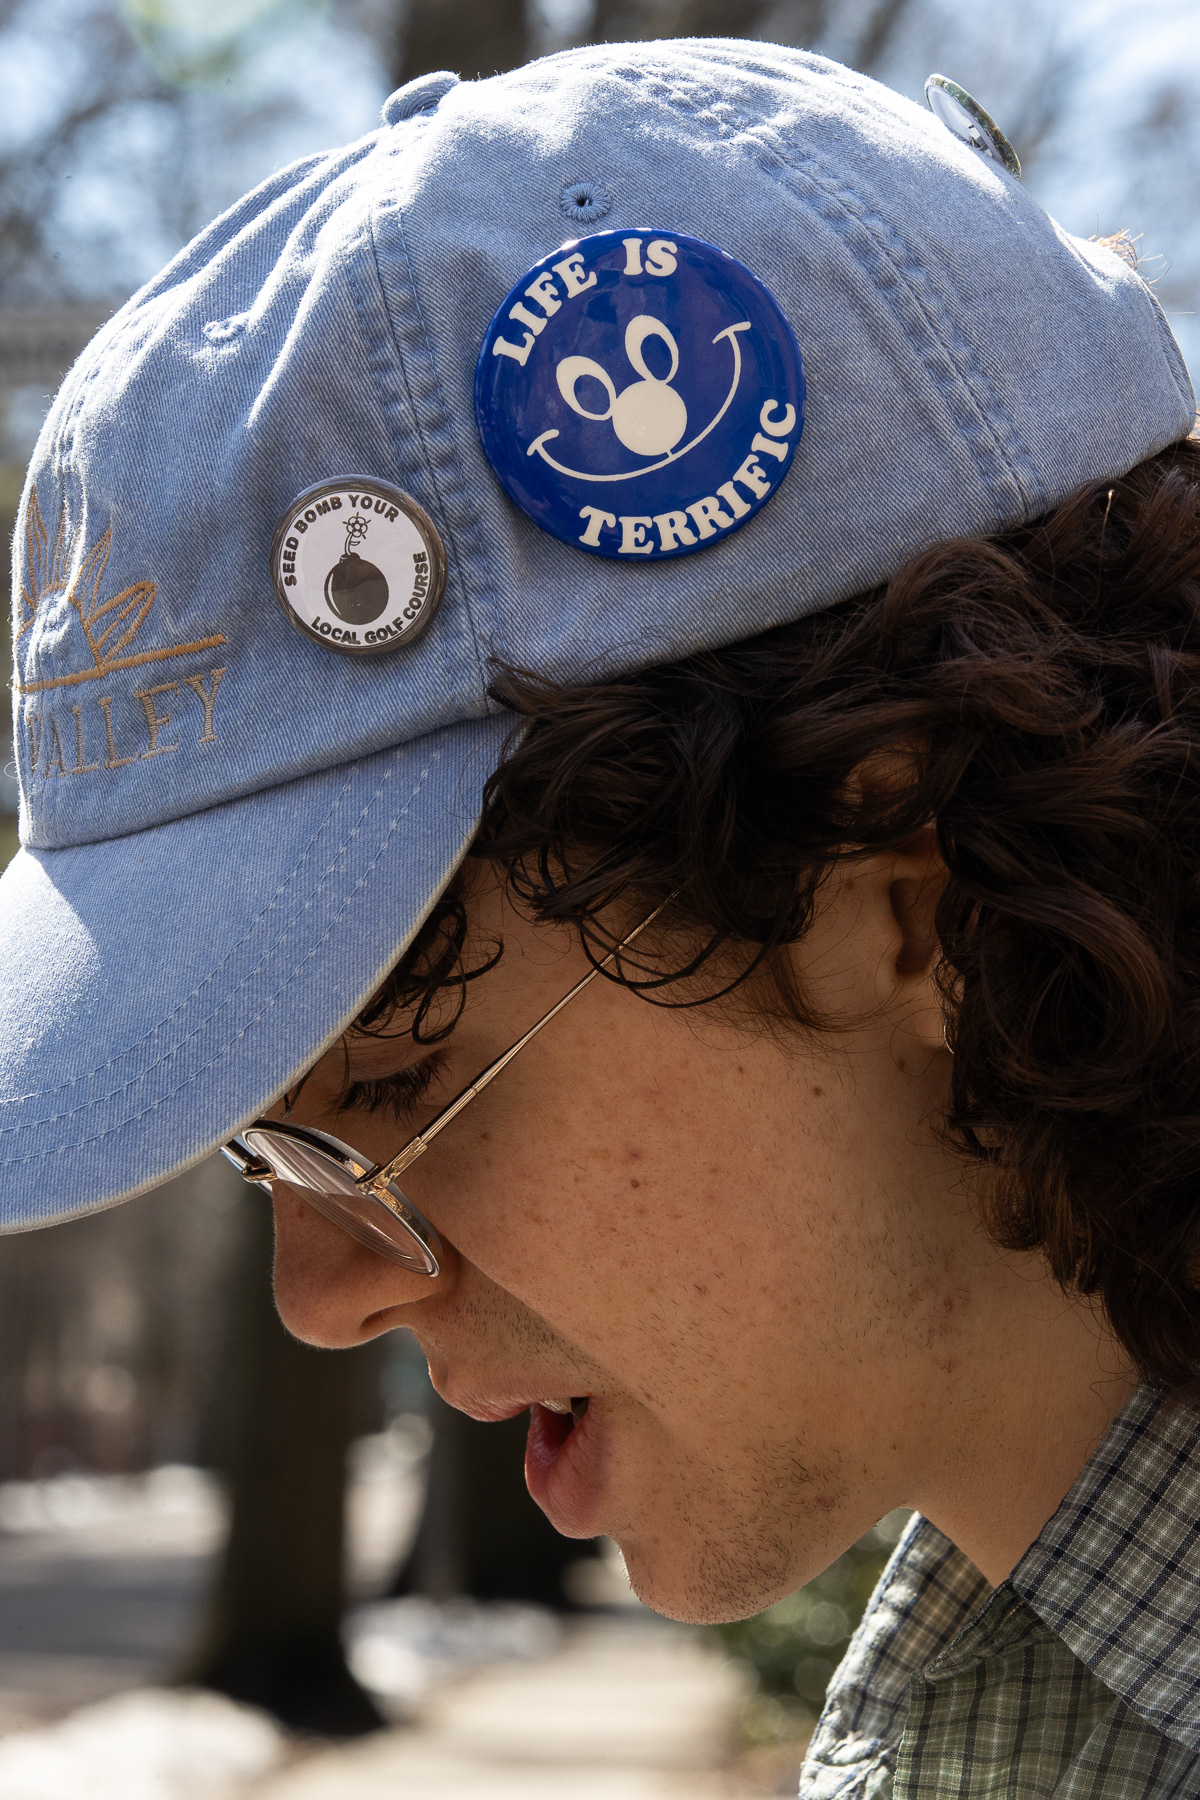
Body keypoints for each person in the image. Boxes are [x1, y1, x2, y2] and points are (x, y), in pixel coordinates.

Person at [4, 38, 1200, 1797]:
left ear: (906, 899)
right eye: (268, 1155)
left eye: (398, 1096)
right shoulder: (1007, 1709)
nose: (321, 1298)